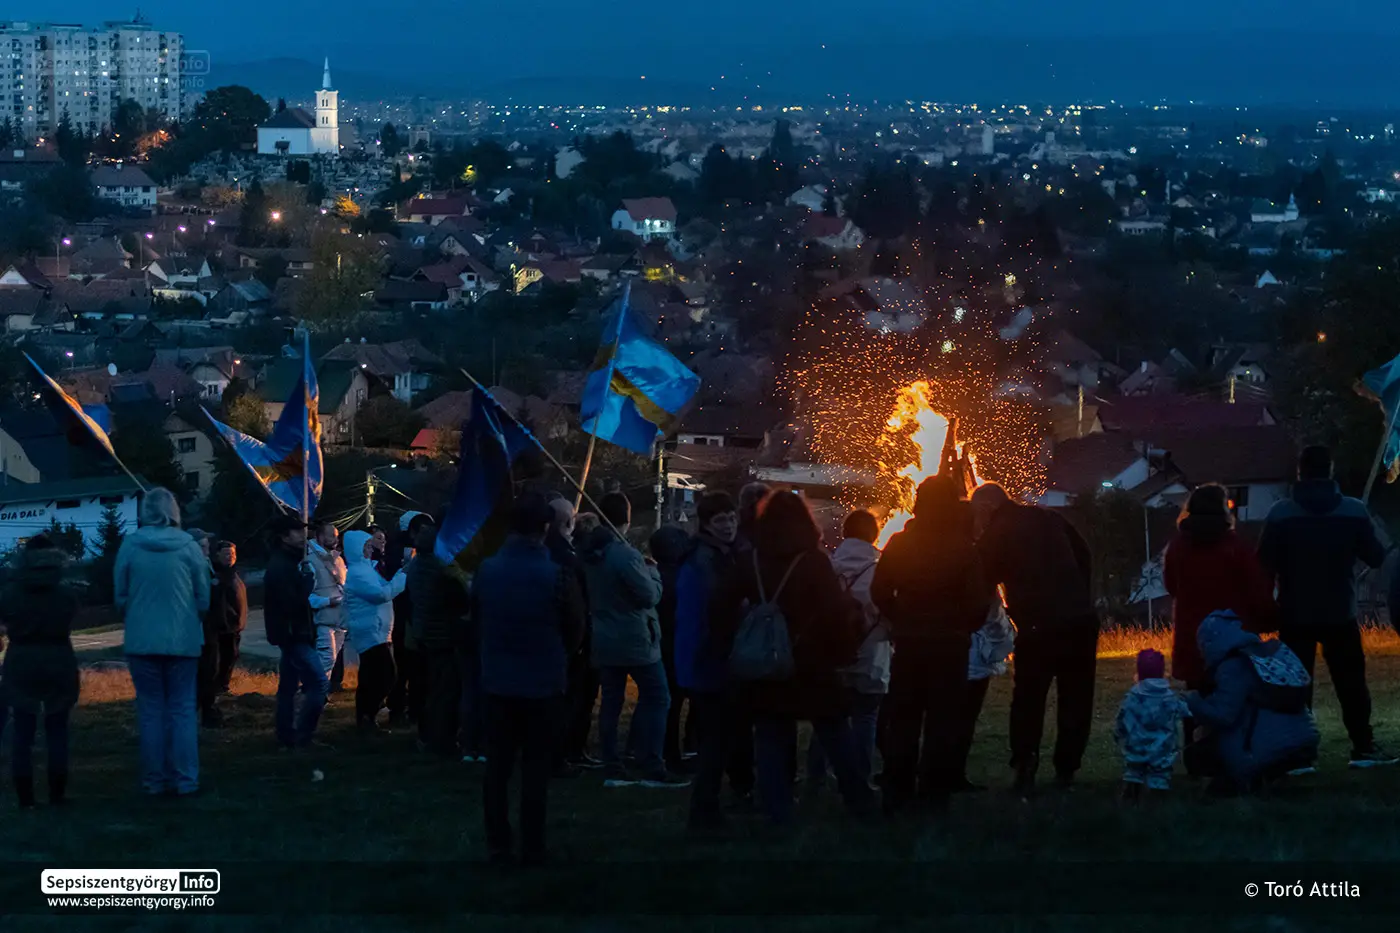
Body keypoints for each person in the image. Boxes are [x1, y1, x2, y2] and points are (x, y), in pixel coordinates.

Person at [711, 490, 874, 826]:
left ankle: (777, 810)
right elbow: (835, 611)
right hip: (813, 663)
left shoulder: (752, 561)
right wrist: (843, 651)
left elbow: (721, 604)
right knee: (835, 733)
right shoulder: (813, 561)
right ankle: (859, 803)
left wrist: (735, 641)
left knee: (771, 735)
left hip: (768, 663)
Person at [1257, 445, 1395, 768]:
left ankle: (1298, 753)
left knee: (1295, 686)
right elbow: (1377, 556)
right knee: (1351, 684)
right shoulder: (1353, 510)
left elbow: (1264, 563)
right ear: (1330, 471)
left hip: (1293, 612)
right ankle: (1362, 746)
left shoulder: (1280, 514)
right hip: (1340, 611)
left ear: (1299, 472)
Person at [474, 493, 586, 865]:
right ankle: (533, 845)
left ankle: (498, 843)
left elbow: (477, 620)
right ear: (545, 529)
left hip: (497, 682)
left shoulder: (487, 571)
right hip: (543, 682)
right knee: (536, 770)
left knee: (498, 768)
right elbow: (575, 628)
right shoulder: (557, 574)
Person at [871, 478, 992, 812]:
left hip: (910, 643)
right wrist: (962, 627)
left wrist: (901, 618)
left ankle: (897, 790)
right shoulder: (964, 549)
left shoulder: (899, 543)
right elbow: (980, 601)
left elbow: (879, 591)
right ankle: (934, 793)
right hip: (949, 646)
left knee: (904, 717)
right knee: (944, 720)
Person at [971, 482, 1097, 797]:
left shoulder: (997, 532)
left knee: (1029, 698)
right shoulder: (1049, 518)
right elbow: (1085, 555)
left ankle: (1024, 766)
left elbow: (980, 579)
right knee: (1076, 697)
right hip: (1079, 620)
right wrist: (1078, 595)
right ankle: (1067, 770)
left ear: (987, 507)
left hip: (1039, 624)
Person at [580, 492, 686, 788]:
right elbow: (649, 595)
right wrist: (652, 573)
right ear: (626, 518)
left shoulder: (589, 553)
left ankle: (612, 763)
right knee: (658, 696)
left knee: (611, 702)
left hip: (604, 635)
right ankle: (652, 762)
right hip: (635, 637)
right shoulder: (625, 555)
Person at [115, 488, 211, 796]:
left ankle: (153, 781)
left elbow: (119, 595)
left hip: (142, 641)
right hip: (183, 641)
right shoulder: (189, 547)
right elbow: (203, 597)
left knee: (150, 711)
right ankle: (186, 780)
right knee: (182, 710)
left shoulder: (130, 545)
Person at [1164, 483, 1276, 743]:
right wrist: (1269, 618)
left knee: (1197, 695)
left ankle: (1194, 749)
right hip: (1232, 637)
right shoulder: (1235, 547)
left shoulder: (1179, 546)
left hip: (1192, 636)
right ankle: (1229, 748)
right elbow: (1255, 587)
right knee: (1233, 695)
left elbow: (1171, 586)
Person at [1183, 611, 1320, 794]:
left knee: (1198, 754)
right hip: (1303, 738)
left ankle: (1248, 775)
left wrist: (1193, 701)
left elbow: (1224, 715)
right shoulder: (1262, 657)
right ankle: (1270, 776)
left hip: (1271, 746)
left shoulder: (1233, 666)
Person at [674, 491, 747, 828]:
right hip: (708, 662)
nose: (729, 525)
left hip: (706, 660)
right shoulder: (704, 562)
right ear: (706, 524)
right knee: (715, 742)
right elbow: (712, 613)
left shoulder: (718, 555)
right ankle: (704, 811)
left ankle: (711, 804)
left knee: (718, 739)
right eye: (721, 521)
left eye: (731, 518)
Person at [808, 509, 889, 791]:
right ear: (874, 534)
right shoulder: (881, 569)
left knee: (828, 715)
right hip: (870, 653)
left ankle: (816, 775)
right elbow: (887, 611)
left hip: (832, 654)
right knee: (866, 717)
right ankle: (860, 778)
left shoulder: (828, 566)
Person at [1, 535, 80, 807]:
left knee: (23, 729)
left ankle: (26, 796)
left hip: (21, 657)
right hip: (58, 656)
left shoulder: (12, 592)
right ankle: (57, 792)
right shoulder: (66, 592)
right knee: (57, 728)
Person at [408, 522, 473, 758]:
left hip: (425, 634)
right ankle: (441, 741)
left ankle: (428, 736)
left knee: (433, 689)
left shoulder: (417, 565)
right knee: (445, 692)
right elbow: (462, 597)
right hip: (443, 636)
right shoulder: (443, 569)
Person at [263, 516, 326, 749]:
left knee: (288, 688)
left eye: (304, 531)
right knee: (318, 684)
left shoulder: (290, 561)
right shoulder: (280, 566)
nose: (304, 535)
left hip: (297, 633)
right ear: (284, 536)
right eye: (298, 532)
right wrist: (307, 584)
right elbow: (290, 604)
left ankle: (286, 735)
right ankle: (303, 735)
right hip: (293, 635)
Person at [547, 496, 598, 771]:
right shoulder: (566, 558)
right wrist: (578, 643)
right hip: (567, 643)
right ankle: (562, 753)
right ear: (569, 522)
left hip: (550, 642)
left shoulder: (544, 551)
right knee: (567, 701)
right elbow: (577, 607)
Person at [343, 529, 409, 734]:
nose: (369, 550)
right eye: (366, 546)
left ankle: (366, 719)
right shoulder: (357, 573)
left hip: (377, 630)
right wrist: (403, 574)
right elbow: (382, 593)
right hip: (370, 632)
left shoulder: (366, 569)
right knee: (387, 674)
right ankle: (370, 712)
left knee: (371, 676)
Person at [1114, 648, 1187, 802]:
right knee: (1160, 777)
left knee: (1133, 773)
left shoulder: (1133, 697)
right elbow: (1182, 711)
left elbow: (1122, 717)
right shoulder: (1169, 697)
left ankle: (1131, 796)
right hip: (1163, 749)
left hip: (1136, 748)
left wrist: (1119, 734)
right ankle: (1158, 799)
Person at [651, 522, 694, 773]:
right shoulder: (681, 580)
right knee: (673, 703)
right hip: (677, 646)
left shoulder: (656, 576)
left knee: (667, 703)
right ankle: (673, 752)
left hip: (660, 645)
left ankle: (663, 748)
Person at [387, 512, 434, 734]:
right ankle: (399, 708)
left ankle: (415, 709)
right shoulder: (397, 550)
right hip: (404, 613)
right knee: (405, 665)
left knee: (419, 668)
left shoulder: (430, 554)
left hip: (419, 614)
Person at [187, 529, 223, 729]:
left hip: (210, 627)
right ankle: (202, 711)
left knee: (211, 669)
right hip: (200, 630)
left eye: (207, 545)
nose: (207, 549)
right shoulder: (193, 568)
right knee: (204, 671)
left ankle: (207, 708)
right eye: (203, 546)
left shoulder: (206, 565)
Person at [307, 521, 348, 691]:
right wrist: (327, 601)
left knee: (331, 660)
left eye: (337, 536)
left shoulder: (337, 559)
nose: (335, 539)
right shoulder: (310, 560)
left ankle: (320, 695)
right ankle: (315, 695)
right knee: (325, 659)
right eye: (331, 535)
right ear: (320, 536)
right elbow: (306, 596)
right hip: (323, 619)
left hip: (340, 619)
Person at [209, 541, 248, 695]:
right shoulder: (216, 575)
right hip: (223, 627)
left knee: (231, 657)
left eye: (232, 554)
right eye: (226, 553)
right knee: (223, 659)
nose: (229, 557)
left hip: (234, 626)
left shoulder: (233, 573)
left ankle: (223, 686)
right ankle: (218, 688)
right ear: (217, 554)